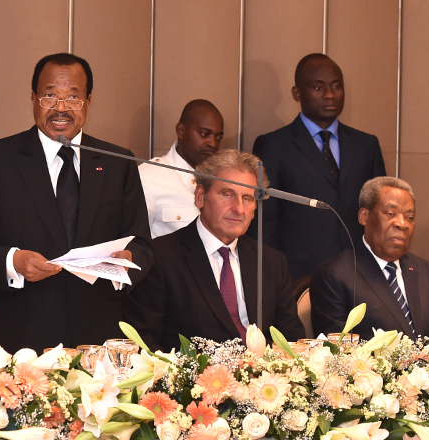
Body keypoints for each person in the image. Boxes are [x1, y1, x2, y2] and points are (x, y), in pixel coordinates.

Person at [0, 53, 153, 354]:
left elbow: (143, 246)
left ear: (88, 100)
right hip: (22, 337)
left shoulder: (117, 162)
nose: (61, 108)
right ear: (33, 98)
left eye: (73, 97)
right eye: (50, 95)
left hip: (98, 338)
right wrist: (14, 262)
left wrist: (124, 262)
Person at [123, 149, 305, 351]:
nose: (238, 208)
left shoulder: (271, 261)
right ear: (200, 196)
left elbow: (292, 340)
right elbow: (142, 342)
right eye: (227, 195)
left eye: (247, 198)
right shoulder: (160, 257)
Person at [251, 53, 386, 281]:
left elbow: (379, 212)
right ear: (297, 93)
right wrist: (271, 277)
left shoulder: (366, 145)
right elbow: (265, 222)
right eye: (318, 88)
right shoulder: (273, 145)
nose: (330, 95)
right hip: (296, 275)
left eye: (336, 86)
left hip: (358, 272)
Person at [310, 176, 429, 341]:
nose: (402, 224)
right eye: (391, 213)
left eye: (409, 217)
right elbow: (337, 353)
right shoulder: (335, 276)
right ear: (364, 216)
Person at [139, 99, 224, 238]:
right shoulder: (149, 178)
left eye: (218, 137)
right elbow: (134, 243)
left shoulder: (220, 181)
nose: (213, 143)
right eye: (205, 134)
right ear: (181, 130)